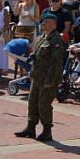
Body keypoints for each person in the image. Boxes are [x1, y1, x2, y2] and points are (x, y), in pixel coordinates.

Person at [14, 11, 66, 142]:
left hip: (47, 79)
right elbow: (36, 57)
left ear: (54, 24)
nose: (43, 23)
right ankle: (30, 128)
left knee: (44, 104)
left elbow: (56, 62)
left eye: (46, 21)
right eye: (43, 21)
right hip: (37, 77)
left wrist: (50, 80)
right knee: (33, 102)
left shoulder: (56, 40)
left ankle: (47, 131)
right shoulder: (42, 37)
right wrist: (31, 74)